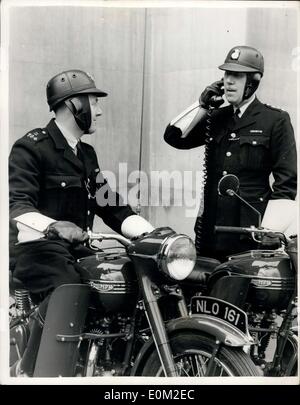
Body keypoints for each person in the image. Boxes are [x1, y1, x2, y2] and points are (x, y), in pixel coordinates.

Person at [9, 69, 154, 376]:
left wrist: (153, 234)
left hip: (76, 249)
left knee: (120, 278)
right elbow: (18, 206)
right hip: (38, 250)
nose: (98, 111)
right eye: (93, 102)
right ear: (74, 105)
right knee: (70, 286)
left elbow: (109, 203)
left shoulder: (86, 154)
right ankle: (32, 370)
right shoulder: (32, 147)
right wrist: (54, 226)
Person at [164, 45, 297, 261]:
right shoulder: (216, 117)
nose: (228, 81)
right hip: (210, 233)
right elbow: (174, 137)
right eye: (226, 74)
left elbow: (287, 183)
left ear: (253, 81)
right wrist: (201, 105)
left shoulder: (275, 120)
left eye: (236, 75)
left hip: (249, 235)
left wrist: (269, 231)